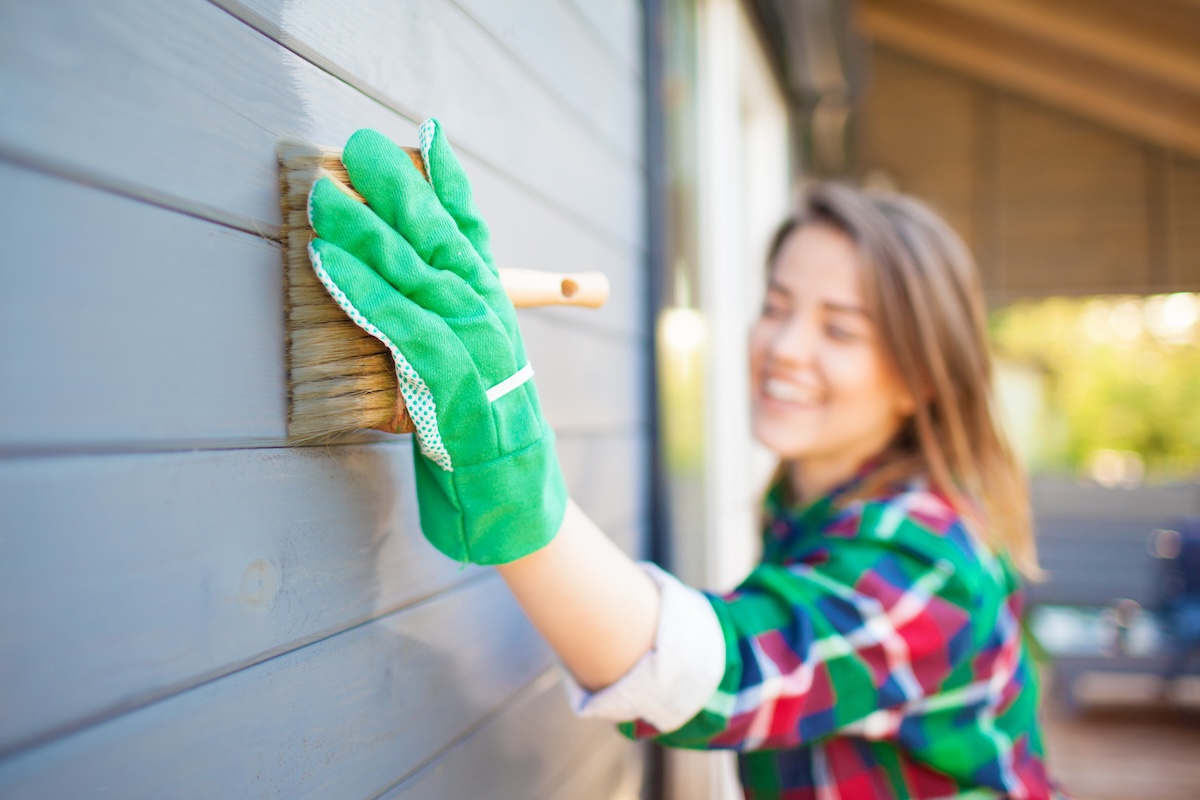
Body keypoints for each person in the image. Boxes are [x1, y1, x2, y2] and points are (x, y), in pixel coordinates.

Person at [307, 122, 1065, 799]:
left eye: (840, 329)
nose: (785, 347)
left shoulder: (930, 559)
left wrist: (510, 477)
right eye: (776, 305)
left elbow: (719, 680)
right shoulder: (812, 504)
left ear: (921, 376)